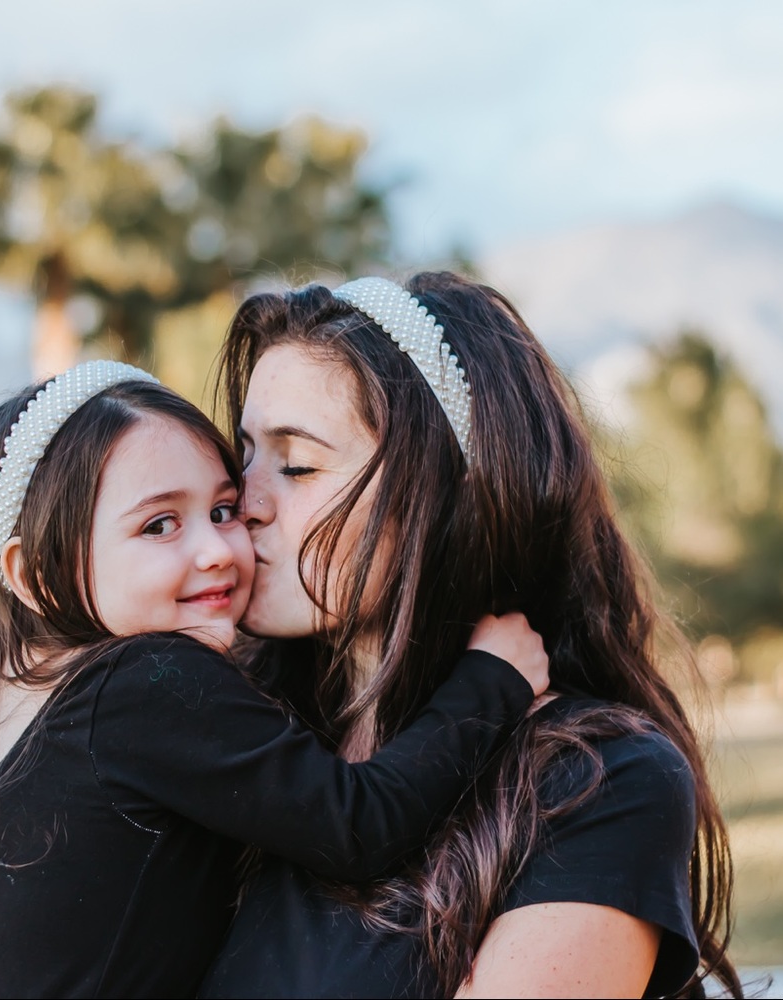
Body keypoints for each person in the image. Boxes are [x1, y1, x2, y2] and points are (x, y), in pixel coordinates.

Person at [0, 359, 550, 999]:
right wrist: (491, 680)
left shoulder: (11, 724)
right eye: (159, 525)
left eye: (223, 510)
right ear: (33, 574)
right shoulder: (142, 680)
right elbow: (355, 824)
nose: (217, 551)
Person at [198, 272, 742, 999]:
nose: (242, 501)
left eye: (296, 464)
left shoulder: (595, 784)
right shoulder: (230, 737)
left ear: (451, 493)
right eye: (247, 454)